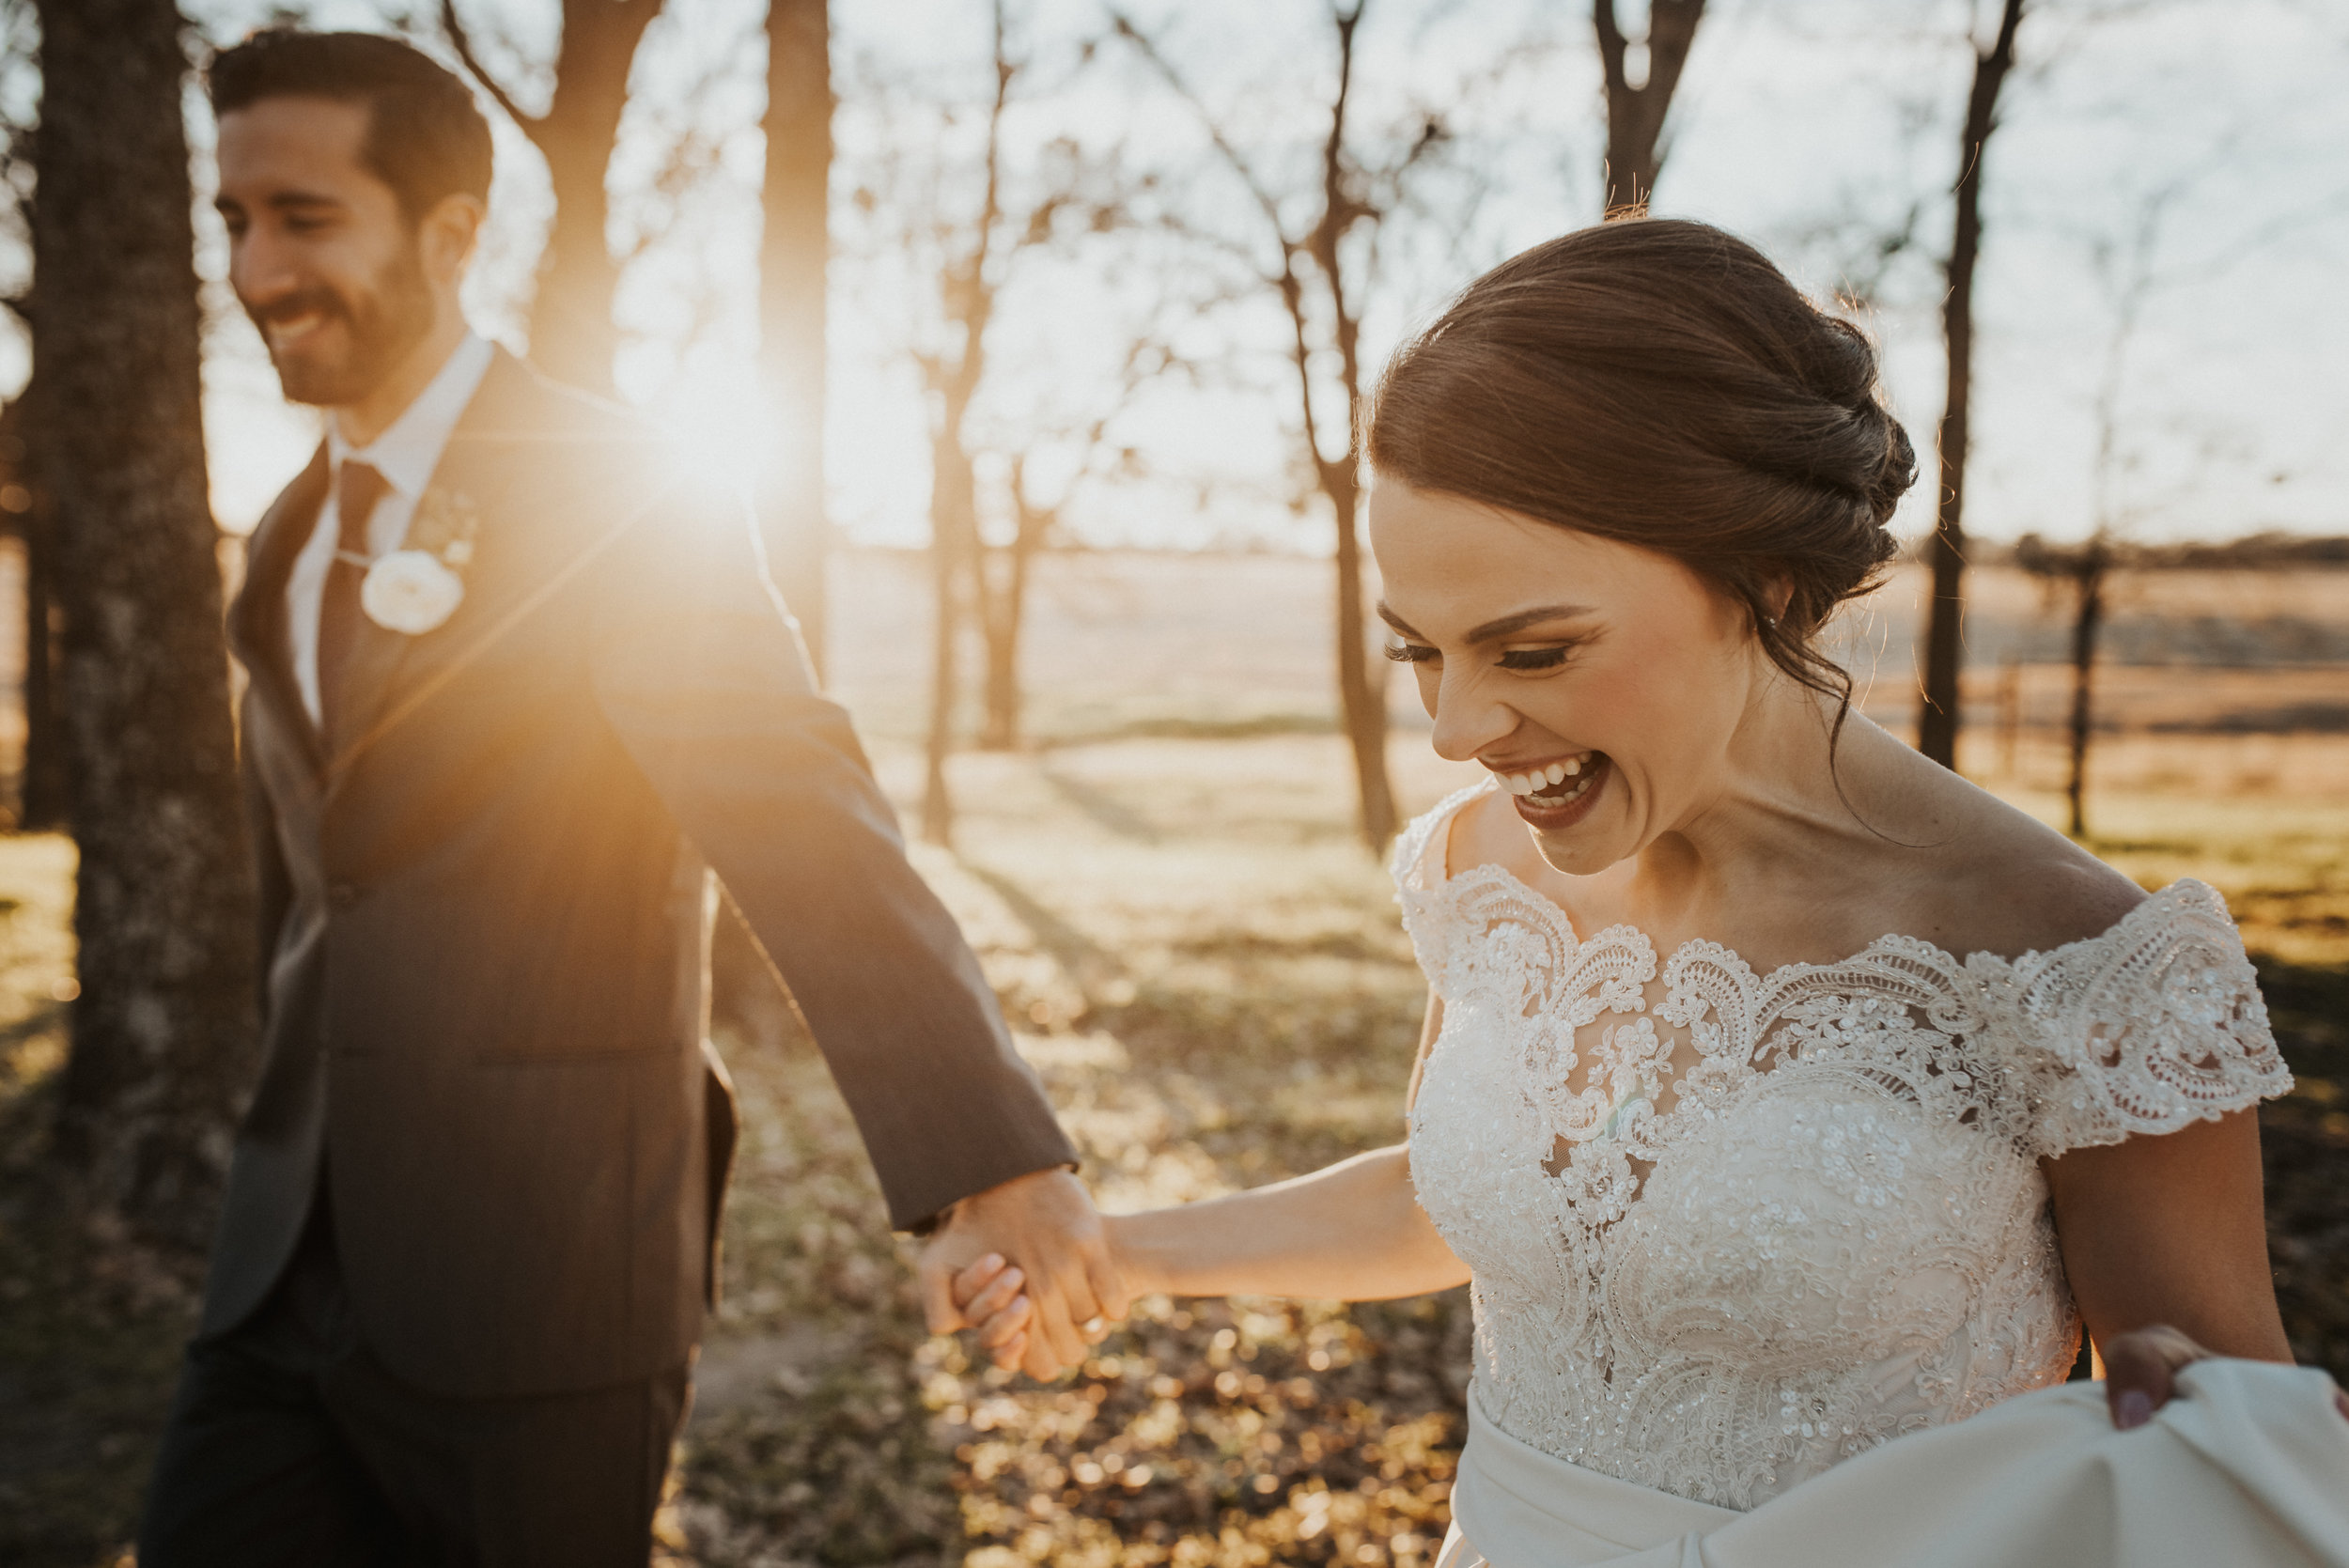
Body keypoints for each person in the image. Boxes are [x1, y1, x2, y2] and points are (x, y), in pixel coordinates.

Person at [951, 219, 2349, 1566]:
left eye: (1535, 649)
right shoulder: (1478, 874)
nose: (1458, 727)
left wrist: (2229, 1426)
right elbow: (1462, 1201)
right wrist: (1120, 1253)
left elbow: (2218, 1470)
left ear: (1765, 576)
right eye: (1420, 653)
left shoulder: (2085, 963)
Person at [139, 29, 1125, 1567]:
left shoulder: (620, 492)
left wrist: (986, 1158)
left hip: (546, 1277)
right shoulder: (279, 543)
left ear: (450, 234)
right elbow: (318, 890)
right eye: (234, 223)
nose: (258, 270)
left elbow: (801, 816)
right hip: (280, 1279)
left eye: (305, 218)